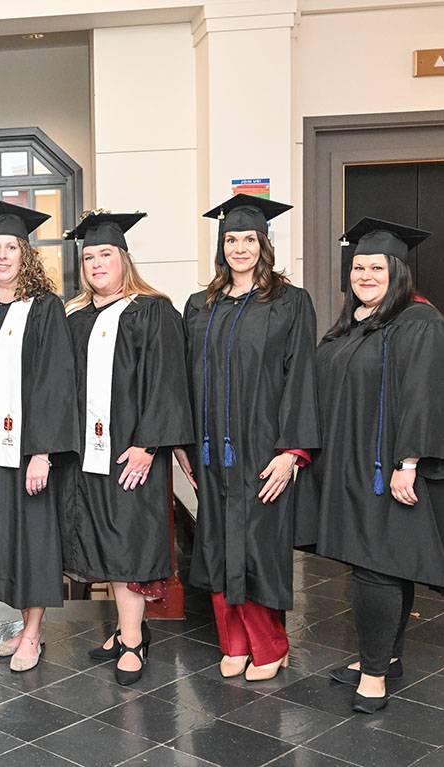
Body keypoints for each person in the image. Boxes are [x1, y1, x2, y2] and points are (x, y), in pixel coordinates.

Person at [296, 218, 443, 714]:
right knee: (384, 567)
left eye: (376, 267)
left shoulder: (417, 321)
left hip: (389, 468)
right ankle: (387, 657)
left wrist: (409, 462)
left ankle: (375, 674)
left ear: (397, 270)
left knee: (375, 571)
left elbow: (423, 396)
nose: (365, 275)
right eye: (358, 267)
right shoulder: (353, 324)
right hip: (351, 464)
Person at [178, 195, 320, 682]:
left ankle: (269, 643)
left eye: (249, 239)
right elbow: (183, 379)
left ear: (265, 244)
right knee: (216, 540)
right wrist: (183, 444)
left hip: (263, 449)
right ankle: (232, 641)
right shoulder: (200, 305)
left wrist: (291, 452)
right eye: (231, 240)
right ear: (221, 246)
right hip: (212, 449)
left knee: (258, 543)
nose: (240, 248)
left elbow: (302, 377)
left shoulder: (289, 302)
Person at [62, 211, 193, 686]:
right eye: (89, 256)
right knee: (102, 538)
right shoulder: (73, 316)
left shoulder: (153, 311)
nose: (97, 263)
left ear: (124, 259)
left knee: (127, 543)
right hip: (86, 454)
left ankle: (134, 642)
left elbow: (167, 383)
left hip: (132, 452)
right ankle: (123, 631)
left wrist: (147, 445)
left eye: (106, 255)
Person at [0, 202, 79, 672]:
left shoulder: (45, 309)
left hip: (27, 452)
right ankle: (23, 629)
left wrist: (42, 452)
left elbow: (55, 381)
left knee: (35, 540)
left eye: (11, 247)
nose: (2, 256)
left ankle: (34, 633)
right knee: (2, 540)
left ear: (26, 254)